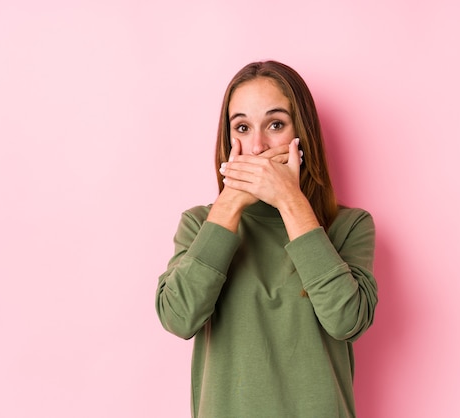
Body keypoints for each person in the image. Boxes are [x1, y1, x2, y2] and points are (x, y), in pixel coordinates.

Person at [155, 60, 377, 418]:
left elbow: (347, 320)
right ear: (228, 142)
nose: (257, 147)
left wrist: (290, 200)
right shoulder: (200, 224)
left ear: (301, 136)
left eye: (275, 125)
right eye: (241, 127)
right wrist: (230, 204)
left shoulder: (349, 226)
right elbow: (179, 318)